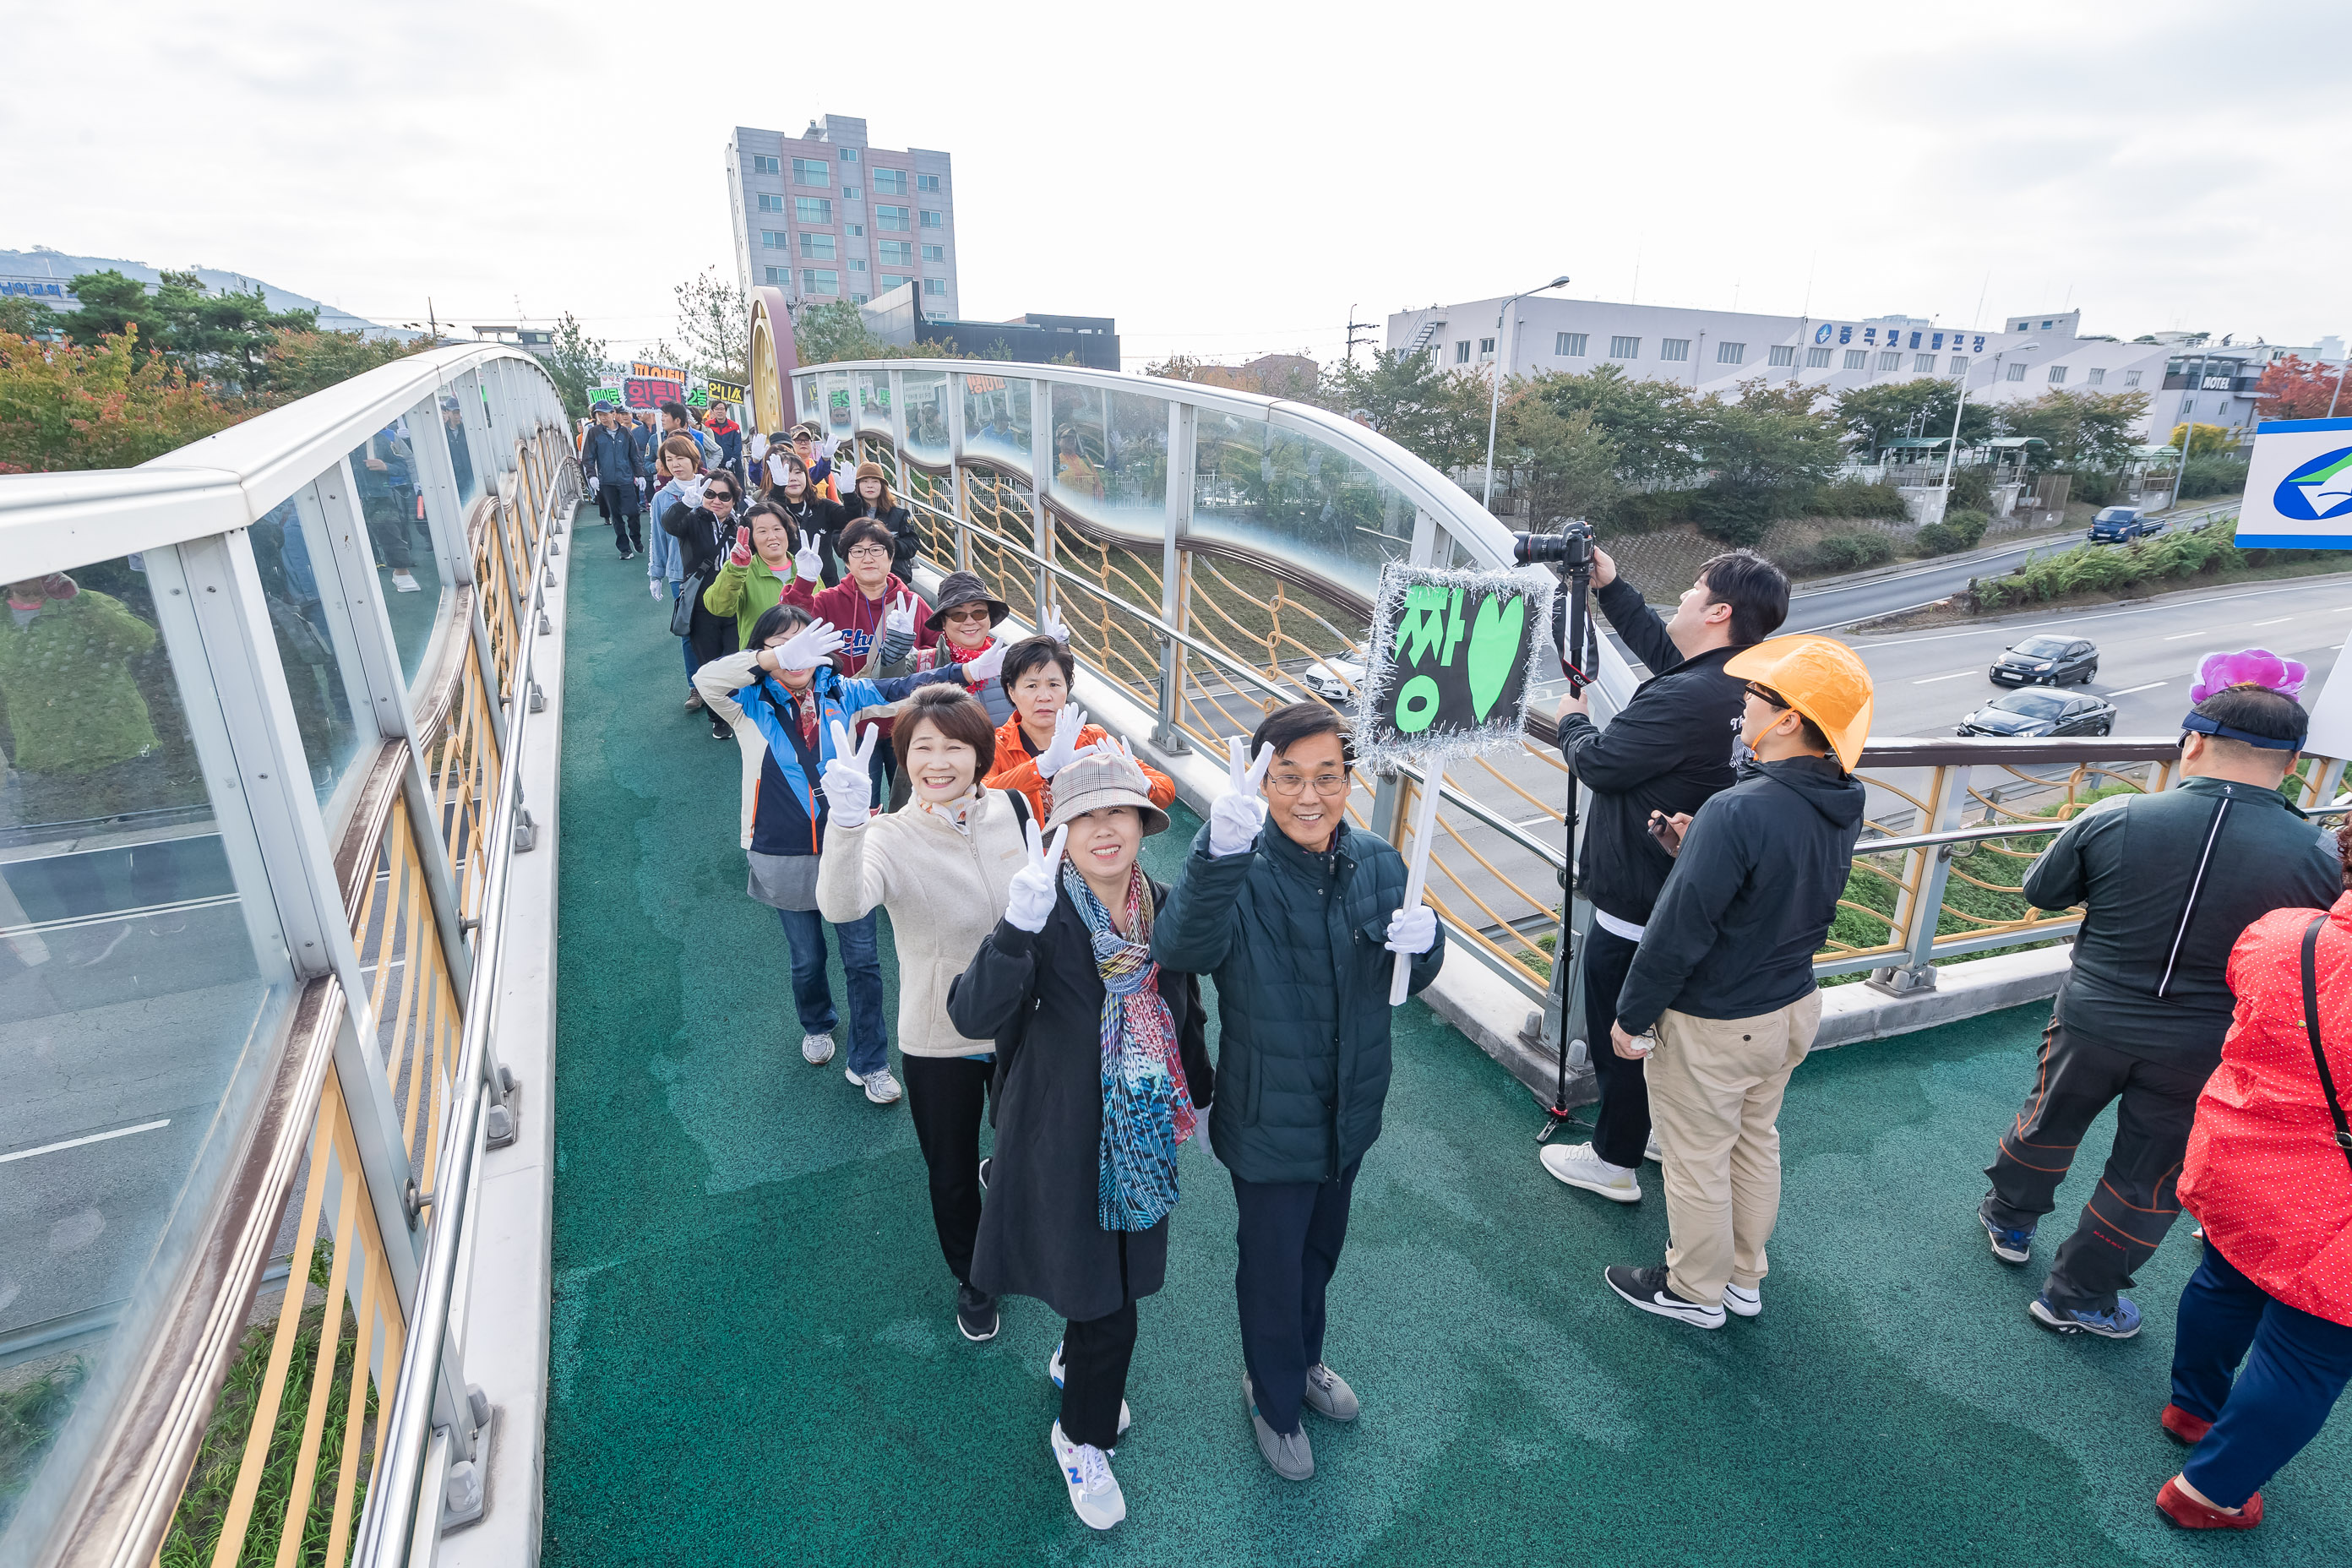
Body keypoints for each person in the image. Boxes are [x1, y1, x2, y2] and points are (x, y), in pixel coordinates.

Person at [1978, 661, 2341, 1339]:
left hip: (2092, 1013)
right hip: (2201, 1043)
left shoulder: (2117, 813)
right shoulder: (2315, 853)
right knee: (2148, 1174)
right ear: (2293, 762)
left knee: (2049, 1118)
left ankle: (2008, 1217)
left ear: (2192, 743)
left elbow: (2042, 893)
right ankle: (2078, 1297)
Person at [1151, 702, 1443, 1482]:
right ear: (1259, 779)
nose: (1308, 796)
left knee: (1319, 1251)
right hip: (1268, 1115)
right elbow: (1179, 946)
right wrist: (1216, 852)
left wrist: (1432, 941)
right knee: (1272, 1266)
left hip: (1348, 1116)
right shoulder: (1236, 869)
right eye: (1288, 778)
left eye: (1328, 777)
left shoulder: (1382, 863)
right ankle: (1274, 1398)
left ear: (1351, 780)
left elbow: (1402, 977)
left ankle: (1305, 1361)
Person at [947, 749, 1212, 1531]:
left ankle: (1072, 1362)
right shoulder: (1041, 913)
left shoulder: (1159, 906)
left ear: (1143, 823)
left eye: (1119, 813)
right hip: (1060, 1135)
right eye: (1086, 815)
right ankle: (1079, 1434)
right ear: (1059, 829)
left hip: (1141, 1129)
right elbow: (970, 1014)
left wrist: (1203, 1092)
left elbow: (1184, 1009)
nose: (1105, 830)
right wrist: (1013, 931)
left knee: (1107, 1278)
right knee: (1112, 1299)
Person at [1600, 634, 1871, 1331]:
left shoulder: (1737, 809)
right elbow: (1773, 884)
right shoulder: (1842, 795)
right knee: (1755, 1143)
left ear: (1787, 721)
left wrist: (1631, 1018)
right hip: (1789, 1007)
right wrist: (1701, 849)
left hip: (1718, 1016)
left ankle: (1694, 1292)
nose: (1743, 703)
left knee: (1695, 1160)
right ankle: (1745, 1279)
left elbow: (1679, 929)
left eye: (1757, 696)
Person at [1540, 546, 1792, 1206]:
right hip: (1691, 890)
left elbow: (1601, 763)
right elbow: (1669, 654)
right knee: (1661, 1034)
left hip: (1637, 899)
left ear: (1719, 612)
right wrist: (1614, 587)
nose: (1681, 597)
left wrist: (1570, 725)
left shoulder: (1687, 698)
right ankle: (1647, 1133)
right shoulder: (1747, 681)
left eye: (1692, 589)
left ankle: (1614, 1161)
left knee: (1621, 1031)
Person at [694, 603, 1001, 1104]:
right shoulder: (746, 701)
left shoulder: (844, 692)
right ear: (763, 652)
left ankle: (870, 1060)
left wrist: (965, 671)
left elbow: (901, 692)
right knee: (806, 958)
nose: (795, 657)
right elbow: (706, 678)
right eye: (782, 646)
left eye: (805, 645)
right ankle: (817, 1023)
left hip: (852, 844)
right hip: (780, 849)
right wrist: (770, 661)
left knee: (863, 960)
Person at [815, 685, 1032, 1343]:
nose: (939, 762)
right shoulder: (887, 835)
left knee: (1029, 1145)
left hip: (1024, 1023)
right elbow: (843, 904)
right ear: (903, 758)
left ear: (979, 752)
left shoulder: (1015, 810)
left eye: (955, 747)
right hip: (942, 1035)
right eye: (922, 748)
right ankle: (973, 1277)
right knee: (951, 1168)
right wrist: (848, 826)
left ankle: (1014, 1204)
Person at [2152, 822, 2352, 1531]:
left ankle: (2192, 1408)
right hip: (2333, 1207)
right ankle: (2209, 1493)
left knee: (2224, 1279)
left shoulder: (2281, 933)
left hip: (2241, 1157)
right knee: (2310, 1353)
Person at [784, 519, 935, 807]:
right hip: (848, 718)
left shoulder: (911, 603)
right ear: (847, 562)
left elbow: (937, 649)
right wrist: (803, 583)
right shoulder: (827, 602)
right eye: (857, 551)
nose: (868, 557)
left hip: (903, 718)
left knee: (915, 800)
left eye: (877, 549)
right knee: (860, 802)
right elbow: (788, 631)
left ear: (891, 558)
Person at [984, 634, 1174, 825]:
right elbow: (980, 798)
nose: (1044, 696)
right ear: (1011, 691)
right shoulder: (995, 746)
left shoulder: (1093, 738)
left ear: (1067, 687)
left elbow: (1165, 789)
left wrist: (1144, 785)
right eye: (1032, 685)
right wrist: (1040, 768)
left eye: (1054, 685)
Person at [665, 473, 751, 738]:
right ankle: (718, 717)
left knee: (736, 658)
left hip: (735, 600)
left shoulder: (742, 524)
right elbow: (670, 524)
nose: (716, 501)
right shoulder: (692, 520)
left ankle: (740, 711)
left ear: (734, 499)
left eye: (724, 496)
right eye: (710, 494)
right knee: (709, 661)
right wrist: (685, 504)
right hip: (702, 603)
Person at [704, 495, 823, 662]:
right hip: (761, 663)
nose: (772, 536)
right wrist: (736, 569)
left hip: (806, 661)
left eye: (777, 529)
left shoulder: (806, 569)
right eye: (762, 531)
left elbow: (823, 615)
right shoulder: (743, 571)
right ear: (751, 538)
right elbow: (717, 607)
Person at [646, 436, 706, 712]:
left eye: (680, 458)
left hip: (716, 568)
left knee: (724, 625)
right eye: (669, 460)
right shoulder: (662, 497)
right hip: (680, 573)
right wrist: (655, 573)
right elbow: (658, 537)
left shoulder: (712, 488)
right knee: (688, 630)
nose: (675, 464)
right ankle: (696, 686)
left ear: (694, 458)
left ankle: (727, 682)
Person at [916, 570, 1019, 726]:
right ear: (943, 622)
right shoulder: (922, 663)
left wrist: (1056, 654)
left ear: (989, 617)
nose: (970, 621)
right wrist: (894, 650)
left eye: (979, 613)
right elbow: (881, 696)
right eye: (958, 615)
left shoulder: (1014, 663)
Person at [580, 406, 647, 558]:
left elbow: (634, 456)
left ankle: (636, 538)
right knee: (615, 515)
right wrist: (592, 476)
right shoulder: (594, 433)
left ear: (613, 414)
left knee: (633, 512)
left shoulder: (625, 432)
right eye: (599, 415)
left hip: (626, 479)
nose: (603, 418)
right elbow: (588, 457)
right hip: (607, 481)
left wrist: (640, 474)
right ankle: (624, 548)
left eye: (605, 414)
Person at [769, 457, 847, 586]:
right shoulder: (773, 509)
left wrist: (849, 496)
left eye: (798, 472)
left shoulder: (823, 507)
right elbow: (773, 520)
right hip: (787, 585)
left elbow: (852, 520)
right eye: (787, 472)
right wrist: (778, 491)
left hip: (826, 585)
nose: (793, 478)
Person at [839, 461, 921, 581]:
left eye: (875, 481)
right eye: (865, 481)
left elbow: (912, 544)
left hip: (895, 576)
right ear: (857, 485)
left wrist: (886, 546)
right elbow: (838, 541)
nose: (870, 485)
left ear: (882, 486)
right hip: (859, 577)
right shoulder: (847, 513)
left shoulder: (899, 514)